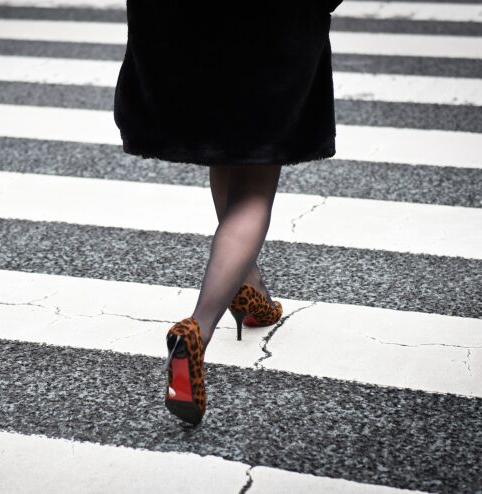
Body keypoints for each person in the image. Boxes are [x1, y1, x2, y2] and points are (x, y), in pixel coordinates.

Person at [113, 0, 343, 425]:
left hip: (185, 25)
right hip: (273, 25)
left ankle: (250, 290)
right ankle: (197, 328)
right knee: (256, 184)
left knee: (226, 147)